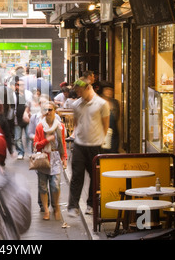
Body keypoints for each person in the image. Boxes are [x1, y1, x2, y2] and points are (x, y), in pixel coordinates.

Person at [67, 78, 110, 217]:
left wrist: (100, 140)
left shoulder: (102, 104)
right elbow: (76, 122)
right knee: (76, 175)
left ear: (88, 88)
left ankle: (91, 204)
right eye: (76, 91)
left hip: (95, 146)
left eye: (80, 91)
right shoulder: (77, 104)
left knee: (94, 177)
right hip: (79, 144)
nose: (78, 94)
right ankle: (73, 206)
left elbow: (105, 125)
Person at [33, 101, 67, 221]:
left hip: (56, 157)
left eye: (50, 110)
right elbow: (36, 145)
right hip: (43, 158)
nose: (48, 112)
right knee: (43, 187)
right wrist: (47, 140)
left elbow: (62, 143)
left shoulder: (60, 126)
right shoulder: (40, 126)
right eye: (45, 110)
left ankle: (56, 206)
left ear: (54, 111)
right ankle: (46, 210)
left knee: (55, 186)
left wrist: (65, 158)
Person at [98, 81, 120, 153]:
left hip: (113, 133)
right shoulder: (98, 102)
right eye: (107, 89)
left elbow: (118, 118)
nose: (109, 92)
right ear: (102, 90)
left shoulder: (115, 103)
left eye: (111, 90)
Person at [12, 79, 31, 160]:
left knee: (29, 136)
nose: (22, 86)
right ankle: (20, 152)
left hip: (28, 118)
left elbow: (31, 104)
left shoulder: (28, 93)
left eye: (23, 85)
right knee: (17, 138)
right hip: (17, 119)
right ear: (16, 86)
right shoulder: (13, 95)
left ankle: (30, 152)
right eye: (20, 85)